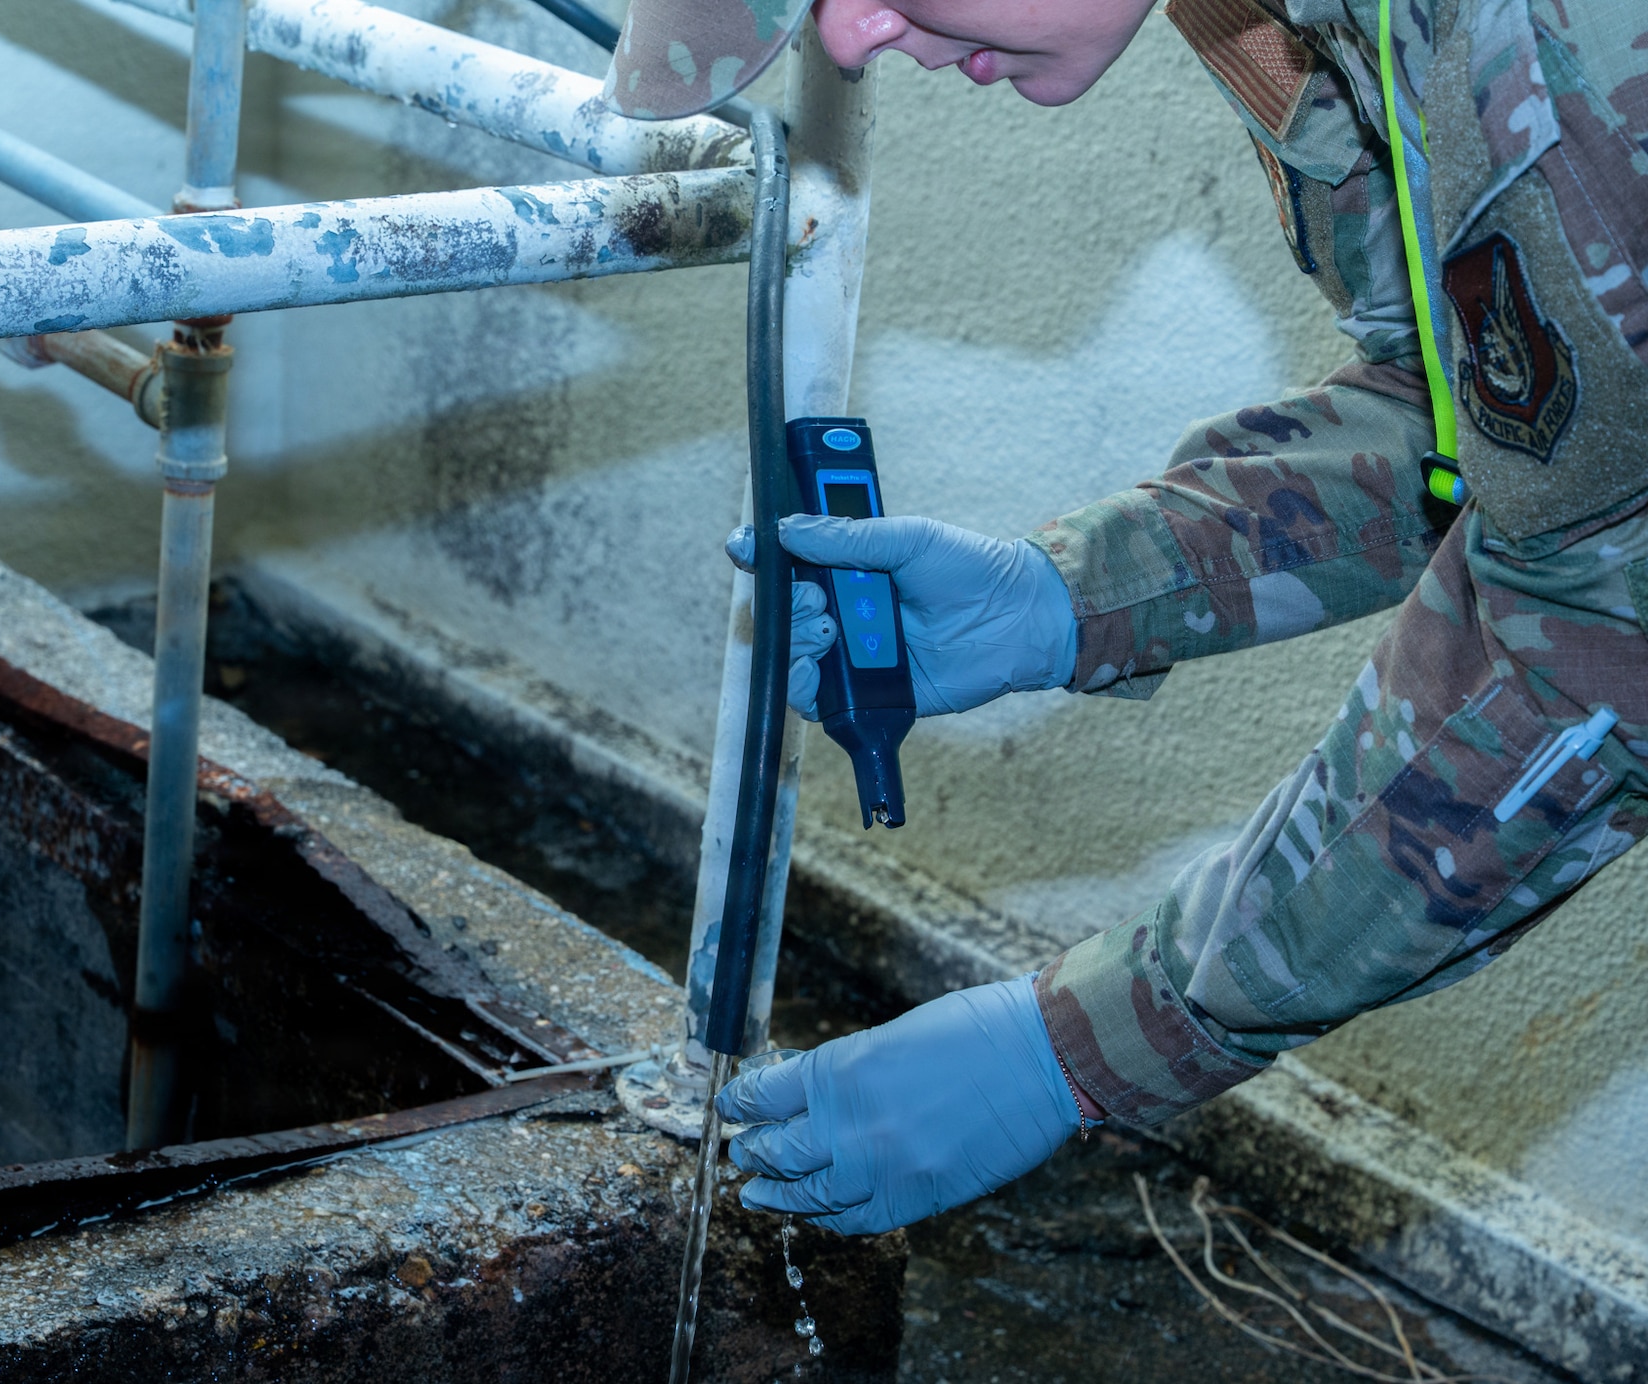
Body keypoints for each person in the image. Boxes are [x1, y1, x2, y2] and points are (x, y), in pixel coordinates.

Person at [603, 0, 1648, 1235]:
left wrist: (1096, 1035)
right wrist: (1075, 594)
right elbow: (1473, 407)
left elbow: (1596, 633)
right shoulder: (1256, 13)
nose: (849, 42)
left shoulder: (1539, 37)